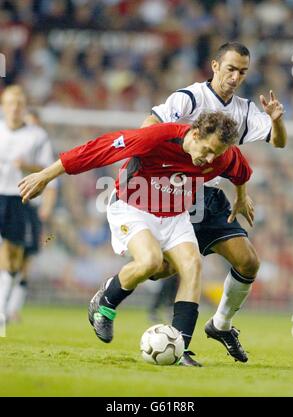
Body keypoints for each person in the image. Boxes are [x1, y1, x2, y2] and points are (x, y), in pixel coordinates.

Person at [19, 111, 252, 367]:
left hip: (175, 215)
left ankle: (180, 348)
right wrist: (45, 175)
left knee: (191, 265)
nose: (209, 159)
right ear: (194, 134)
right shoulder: (157, 138)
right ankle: (106, 302)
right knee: (150, 261)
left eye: (215, 154)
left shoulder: (222, 154)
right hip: (133, 207)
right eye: (207, 150)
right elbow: (97, 149)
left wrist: (241, 197)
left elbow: (239, 169)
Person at [141, 42, 287, 362]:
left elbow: (278, 142)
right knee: (163, 269)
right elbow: (150, 127)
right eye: (231, 69)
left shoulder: (245, 110)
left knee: (248, 262)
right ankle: (116, 293)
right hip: (178, 191)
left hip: (211, 196)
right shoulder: (189, 98)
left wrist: (275, 120)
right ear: (215, 66)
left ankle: (220, 325)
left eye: (243, 72)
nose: (236, 77)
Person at [0, 85, 56, 322]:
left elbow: (46, 169)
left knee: (14, 255)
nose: (15, 108)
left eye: (19, 104)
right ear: (3, 106)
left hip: (18, 198)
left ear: (24, 108)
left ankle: (5, 305)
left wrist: (26, 166)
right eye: (11, 103)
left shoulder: (37, 136)